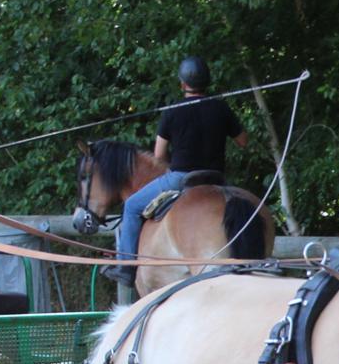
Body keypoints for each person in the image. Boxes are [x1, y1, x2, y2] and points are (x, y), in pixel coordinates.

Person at [103, 55, 248, 287]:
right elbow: (243, 140)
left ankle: (126, 269)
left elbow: (159, 155)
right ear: (207, 81)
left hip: (182, 178)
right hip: (216, 179)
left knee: (131, 207)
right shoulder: (221, 107)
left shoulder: (172, 111)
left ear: (182, 83)